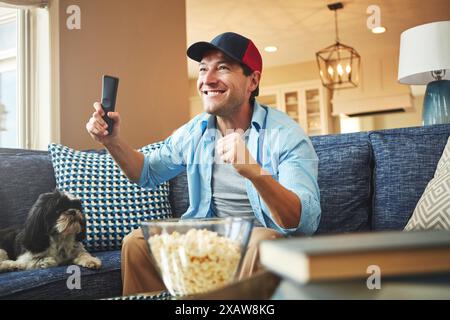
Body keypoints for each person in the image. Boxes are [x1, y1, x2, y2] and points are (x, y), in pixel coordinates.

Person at [86, 32, 321, 296]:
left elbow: (303, 223)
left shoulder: (286, 135)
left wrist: (254, 172)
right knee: (137, 243)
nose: (207, 80)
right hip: (208, 238)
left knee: (261, 242)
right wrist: (113, 141)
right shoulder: (194, 131)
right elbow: (146, 172)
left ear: (252, 80)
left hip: (260, 239)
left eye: (222, 68)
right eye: (202, 69)